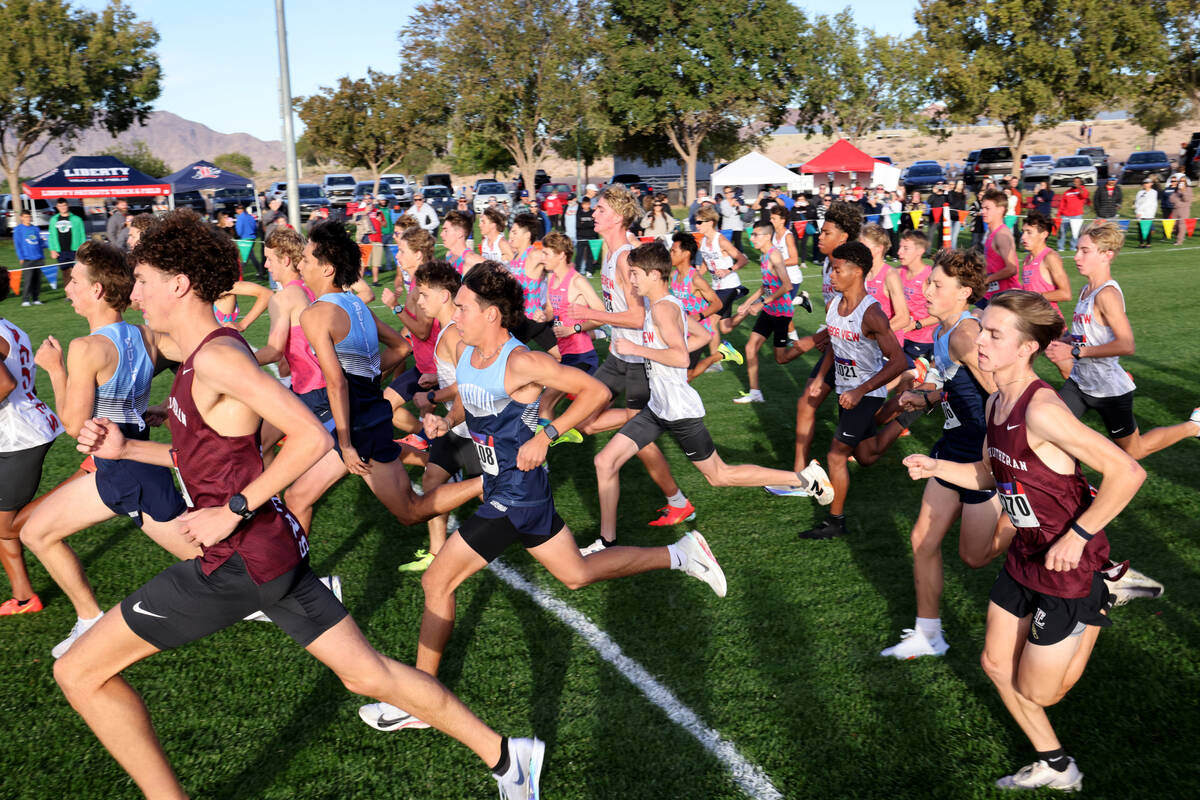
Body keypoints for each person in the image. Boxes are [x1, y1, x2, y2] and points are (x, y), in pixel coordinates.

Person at [57, 210, 544, 799]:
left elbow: (309, 438)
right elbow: (210, 459)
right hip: (270, 552)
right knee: (368, 674)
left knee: (77, 670)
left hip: (239, 559)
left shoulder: (218, 358)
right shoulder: (201, 356)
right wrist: (130, 445)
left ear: (179, 284)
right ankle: (507, 757)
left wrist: (231, 508)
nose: (134, 294)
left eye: (143, 280)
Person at [358, 262, 727, 733]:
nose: (458, 311)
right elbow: (472, 399)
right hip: (504, 488)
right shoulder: (469, 349)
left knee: (437, 583)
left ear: (492, 314)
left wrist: (547, 433)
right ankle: (682, 554)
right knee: (576, 574)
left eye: (466, 306)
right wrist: (444, 422)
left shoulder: (523, 362)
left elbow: (592, 392)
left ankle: (420, 703)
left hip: (515, 495)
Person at [902, 290, 1147, 792]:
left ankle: (1100, 596)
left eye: (995, 334)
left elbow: (1128, 471)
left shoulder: (1043, 411)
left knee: (1041, 691)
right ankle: (1057, 765)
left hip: (1068, 565)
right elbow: (992, 473)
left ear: (1025, 348)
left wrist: (1078, 536)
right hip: (1025, 554)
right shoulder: (996, 400)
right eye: (984, 329)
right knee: (995, 664)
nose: (981, 340)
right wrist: (936, 466)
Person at [21, 241, 199, 659]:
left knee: (36, 532)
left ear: (97, 290)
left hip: (121, 469)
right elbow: (193, 359)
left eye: (74, 280)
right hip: (135, 459)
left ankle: (89, 619)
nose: (67, 288)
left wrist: (56, 370)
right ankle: (88, 618)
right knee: (206, 556)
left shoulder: (86, 348)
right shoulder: (146, 335)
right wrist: (166, 405)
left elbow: (74, 427)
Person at [593, 242, 812, 536]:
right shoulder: (662, 304)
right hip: (658, 407)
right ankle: (607, 542)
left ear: (655, 274)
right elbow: (701, 334)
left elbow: (681, 357)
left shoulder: (662, 310)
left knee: (719, 475)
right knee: (604, 461)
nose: (629, 280)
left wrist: (638, 348)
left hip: (678, 411)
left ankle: (801, 479)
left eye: (634, 274)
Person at [283, 221, 481, 534]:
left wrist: (347, 443)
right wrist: (368, 373)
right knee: (297, 496)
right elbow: (401, 347)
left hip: (357, 427)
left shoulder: (314, 314)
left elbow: (335, 383)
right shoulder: (355, 304)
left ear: (327, 269)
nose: (300, 264)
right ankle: (297, 580)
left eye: (306, 259)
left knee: (410, 511)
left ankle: (487, 482)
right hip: (370, 414)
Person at [880, 249, 1007, 659]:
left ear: (964, 292)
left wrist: (1002, 455)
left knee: (973, 556)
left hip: (981, 453)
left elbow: (1005, 395)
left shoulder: (966, 333)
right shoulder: (942, 330)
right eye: (929, 281)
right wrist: (929, 398)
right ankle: (929, 634)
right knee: (923, 539)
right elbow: (959, 386)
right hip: (952, 444)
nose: (927, 289)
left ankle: (1032, 517)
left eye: (937, 285)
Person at [567, 184, 698, 539]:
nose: (593, 214)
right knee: (589, 420)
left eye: (601, 210)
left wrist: (588, 312)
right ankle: (644, 427)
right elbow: (615, 312)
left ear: (620, 216)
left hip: (638, 360)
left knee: (630, 431)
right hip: (617, 355)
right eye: (595, 210)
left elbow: (639, 318)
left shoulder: (627, 258)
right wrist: (579, 323)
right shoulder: (609, 256)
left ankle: (676, 499)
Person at [1044, 221, 1200, 459]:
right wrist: (1060, 342)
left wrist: (1075, 353)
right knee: (1050, 433)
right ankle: (1074, 488)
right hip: (1080, 382)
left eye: (1085, 251)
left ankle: (1194, 426)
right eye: (1077, 249)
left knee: (1135, 450)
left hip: (1108, 390)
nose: (1076, 257)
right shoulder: (1087, 290)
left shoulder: (1107, 294)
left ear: (1107, 255)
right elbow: (1083, 334)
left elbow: (1127, 345)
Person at [797, 242, 906, 540]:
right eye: (832, 268)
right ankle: (906, 412)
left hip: (865, 395)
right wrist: (820, 376)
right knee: (867, 455)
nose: (831, 275)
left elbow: (898, 361)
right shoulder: (833, 305)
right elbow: (834, 343)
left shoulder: (872, 314)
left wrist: (861, 390)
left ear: (857, 272)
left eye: (837, 269)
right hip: (846, 392)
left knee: (835, 455)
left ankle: (835, 521)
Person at [396, 261, 481, 573]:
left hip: (475, 426)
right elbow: (457, 377)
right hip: (456, 425)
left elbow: (471, 383)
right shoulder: (446, 332)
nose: (418, 301)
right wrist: (436, 377)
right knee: (432, 478)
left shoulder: (454, 335)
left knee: (498, 498)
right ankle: (436, 552)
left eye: (423, 294)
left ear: (445, 296)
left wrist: (432, 396)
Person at [791, 200, 861, 476]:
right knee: (813, 404)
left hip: (855, 352)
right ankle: (800, 473)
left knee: (866, 445)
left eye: (826, 233)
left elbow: (848, 325)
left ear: (843, 237)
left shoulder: (848, 270)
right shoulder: (826, 265)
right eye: (820, 232)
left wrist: (821, 371)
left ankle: (909, 400)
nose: (819, 237)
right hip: (837, 345)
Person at [0, 317, 62, 615]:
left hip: (19, 436)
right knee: (3, 523)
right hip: (24, 427)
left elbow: (4, 383)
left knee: (6, 526)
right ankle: (24, 598)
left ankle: (86, 479)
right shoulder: (12, 327)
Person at [730, 221, 817, 404]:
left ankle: (815, 341)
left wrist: (760, 305)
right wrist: (747, 303)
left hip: (781, 313)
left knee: (781, 359)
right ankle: (755, 393)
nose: (752, 238)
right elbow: (766, 286)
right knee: (750, 347)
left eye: (755, 235)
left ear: (767, 236)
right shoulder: (763, 257)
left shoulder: (775, 256)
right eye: (752, 235)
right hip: (769, 310)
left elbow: (787, 285)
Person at [381, 227, 439, 438]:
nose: (397, 256)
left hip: (436, 369)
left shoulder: (425, 284)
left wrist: (395, 307)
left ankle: (427, 440)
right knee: (388, 407)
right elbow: (414, 330)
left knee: (386, 406)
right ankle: (427, 440)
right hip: (425, 364)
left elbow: (423, 331)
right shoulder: (418, 281)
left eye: (402, 251)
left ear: (418, 254)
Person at [694, 204, 749, 326]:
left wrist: (727, 270)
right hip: (717, 287)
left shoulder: (721, 241)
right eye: (695, 222)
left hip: (730, 286)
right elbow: (705, 264)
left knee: (710, 321)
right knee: (725, 327)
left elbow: (743, 260)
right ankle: (748, 310)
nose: (696, 225)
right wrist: (693, 279)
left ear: (710, 222)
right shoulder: (702, 242)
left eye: (699, 222)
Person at [1017, 212, 1071, 312]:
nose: (1023, 237)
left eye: (1029, 232)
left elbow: (1066, 293)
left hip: (1050, 323)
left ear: (1044, 234)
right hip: (1032, 321)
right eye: (1023, 232)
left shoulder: (1050, 257)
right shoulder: (1027, 260)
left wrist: (1034, 296)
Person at [896, 230, 936, 361]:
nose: (899, 252)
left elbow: (940, 315)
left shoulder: (930, 277)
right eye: (900, 247)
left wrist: (914, 325)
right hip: (900, 336)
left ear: (920, 251)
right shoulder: (897, 273)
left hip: (922, 341)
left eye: (906, 248)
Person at [981, 188, 1019, 303]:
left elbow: (1012, 268)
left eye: (987, 208)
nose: (983, 212)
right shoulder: (991, 234)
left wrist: (986, 279)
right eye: (982, 208)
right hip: (992, 294)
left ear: (1001, 210)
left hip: (1005, 298)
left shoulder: (1001, 235)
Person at [47, 198, 85, 287]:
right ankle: (69, 294)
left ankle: (79, 292)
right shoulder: (53, 220)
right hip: (61, 251)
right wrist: (52, 250)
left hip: (75, 250)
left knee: (76, 272)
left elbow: (82, 235)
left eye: (64, 205)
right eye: (60, 206)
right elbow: (51, 236)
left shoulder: (77, 219)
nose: (62, 207)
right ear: (57, 207)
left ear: (67, 205)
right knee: (65, 272)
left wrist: (83, 249)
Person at [13, 210, 46, 307]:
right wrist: (21, 257)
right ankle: (25, 300)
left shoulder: (35, 228)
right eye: (26, 217)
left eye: (29, 216)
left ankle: (36, 299)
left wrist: (42, 254)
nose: (28, 218)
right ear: (21, 218)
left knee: (37, 280)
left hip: (38, 258)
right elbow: (17, 245)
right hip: (27, 259)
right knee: (28, 280)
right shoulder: (18, 229)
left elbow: (39, 243)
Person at [440, 209, 485, 277]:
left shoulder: (470, 258)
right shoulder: (449, 255)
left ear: (460, 234)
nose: (441, 234)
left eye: (446, 230)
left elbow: (501, 272)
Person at [1056, 178, 1088, 252]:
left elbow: (1084, 196)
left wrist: (1079, 187)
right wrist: (1059, 213)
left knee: (1075, 233)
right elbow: (1062, 203)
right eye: (1074, 182)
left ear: (1080, 183)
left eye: (1077, 182)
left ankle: (1073, 247)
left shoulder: (1083, 190)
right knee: (1062, 232)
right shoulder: (1067, 192)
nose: (1075, 183)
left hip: (1077, 215)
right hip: (1065, 215)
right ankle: (1060, 248)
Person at [234, 204, 265, 279]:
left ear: (239, 210)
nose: (236, 211)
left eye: (236, 209)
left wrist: (238, 235)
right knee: (249, 256)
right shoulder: (250, 216)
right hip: (252, 238)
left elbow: (239, 230)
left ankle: (238, 274)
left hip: (245, 238)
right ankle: (260, 273)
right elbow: (255, 226)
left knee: (246, 258)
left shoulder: (240, 218)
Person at [718, 186, 748, 252]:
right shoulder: (723, 203)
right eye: (726, 192)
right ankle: (727, 261)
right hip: (727, 228)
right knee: (727, 247)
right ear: (724, 194)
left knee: (737, 247)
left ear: (733, 192)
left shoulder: (738, 199)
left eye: (730, 192)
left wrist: (739, 205)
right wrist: (731, 204)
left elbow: (745, 210)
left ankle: (739, 260)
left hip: (737, 228)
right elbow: (727, 214)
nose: (729, 194)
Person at [1133, 179, 1159, 248]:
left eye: (1147, 183)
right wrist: (1137, 212)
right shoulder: (1140, 192)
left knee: (1148, 229)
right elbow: (1136, 202)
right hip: (1140, 213)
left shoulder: (1153, 192)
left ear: (1151, 184)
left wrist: (1139, 210)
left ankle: (1148, 243)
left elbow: (1148, 203)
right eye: (1144, 183)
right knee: (1140, 229)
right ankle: (1141, 243)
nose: (1145, 184)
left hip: (1148, 213)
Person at [1169, 176, 1192, 245]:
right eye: (1180, 181)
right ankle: (1178, 237)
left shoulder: (1189, 189)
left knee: (1181, 225)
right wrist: (1177, 201)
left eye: (1183, 181)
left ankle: (1179, 241)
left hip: (1184, 210)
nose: (1182, 182)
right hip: (1175, 210)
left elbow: (1186, 199)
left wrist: (1183, 191)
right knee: (1174, 225)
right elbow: (1171, 199)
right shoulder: (1176, 190)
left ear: (1186, 182)